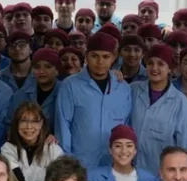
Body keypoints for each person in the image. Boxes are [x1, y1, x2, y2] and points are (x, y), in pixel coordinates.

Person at [54, 32, 132, 169]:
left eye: (106, 57)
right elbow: (63, 126)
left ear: (113, 58)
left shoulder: (123, 88)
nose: (100, 62)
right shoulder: (70, 85)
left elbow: (126, 126)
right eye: (95, 56)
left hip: (113, 163)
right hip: (80, 163)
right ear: (86, 56)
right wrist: (68, 163)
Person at [130, 43, 187, 173]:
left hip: (160, 171)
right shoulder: (133, 90)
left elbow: (184, 142)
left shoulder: (179, 101)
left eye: (160, 64)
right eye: (150, 63)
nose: (154, 68)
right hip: (129, 166)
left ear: (170, 68)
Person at [1, 100, 65, 181]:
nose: (29, 127)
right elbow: (17, 179)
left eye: (34, 121)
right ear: (17, 124)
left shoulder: (52, 148)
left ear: (41, 124)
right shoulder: (8, 148)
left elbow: (62, 177)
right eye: (23, 121)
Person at [9, 48, 61, 124]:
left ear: (57, 70)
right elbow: (10, 123)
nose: (41, 71)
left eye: (47, 67)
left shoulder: (65, 93)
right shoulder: (21, 94)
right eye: (37, 67)